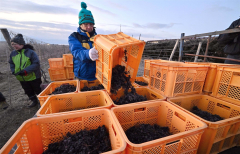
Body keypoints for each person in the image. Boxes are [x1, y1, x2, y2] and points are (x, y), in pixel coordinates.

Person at [9, 34, 42, 108]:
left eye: (15, 44)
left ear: (21, 44)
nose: (13, 46)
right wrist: (13, 70)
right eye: (12, 44)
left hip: (33, 76)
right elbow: (11, 63)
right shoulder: (13, 54)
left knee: (38, 89)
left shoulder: (30, 52)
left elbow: (36, 64)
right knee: (28, 90)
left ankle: (42, 101)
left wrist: (25, 71)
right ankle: (34, 101)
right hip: (21, 77)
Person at [68, 2, 98, 81]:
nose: (89, 27)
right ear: (80, 25)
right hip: (82, 75)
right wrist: (88, 54)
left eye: (91, 24)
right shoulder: (74, 37)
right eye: (86, 24)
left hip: (97, 75)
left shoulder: (98, 38)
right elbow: (77, 52)